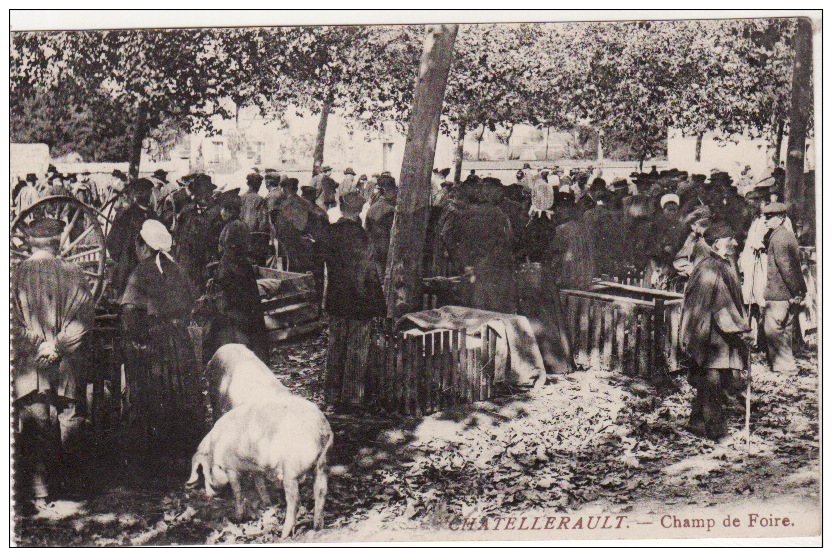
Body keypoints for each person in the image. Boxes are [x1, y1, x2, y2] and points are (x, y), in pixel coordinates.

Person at [12, 218, 94, 514]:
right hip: (66, 365)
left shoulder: (14, 275)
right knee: (70, 419)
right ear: (58, 243)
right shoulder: (73, 272)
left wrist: (36, 345)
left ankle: (40, 491)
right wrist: (56, 346)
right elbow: (84, 319)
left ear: (30, 243)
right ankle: (72, 490)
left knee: (36, 421)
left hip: (30, 368)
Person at [120, 220, 203, 457]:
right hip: (179, 340)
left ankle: (156, 457)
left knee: (154, 395)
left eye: (137, 246)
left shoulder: (140, 272)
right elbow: (189, 303)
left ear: (143, 246)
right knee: (182, 392)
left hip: (155, 344)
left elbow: (129, 314)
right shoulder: (176, 269)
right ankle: (184, 451)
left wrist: (137, 340)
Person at [680, 221, 750, 441]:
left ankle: (697, 422)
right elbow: (722, 307)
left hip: (712, 334)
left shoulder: (712, 264)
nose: (736, 244)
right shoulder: (713, 268)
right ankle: (717, 432)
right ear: (719, 243)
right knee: (713, 383)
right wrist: (742, 329)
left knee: (709, 382)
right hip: (712, 337)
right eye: (731, 240)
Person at [206, 194, 269, 362]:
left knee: (236, 316)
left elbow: (229, 256)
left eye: (222, 209)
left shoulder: (232, 228)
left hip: (234, 277)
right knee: (249, 314)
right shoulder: (240, 225)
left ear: (228, 210)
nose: (221, 213)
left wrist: (218, 276)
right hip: (242, 274)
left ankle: (240, 353)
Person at [450, 178, 517, 314]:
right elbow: (507, 245)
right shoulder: (500, 216)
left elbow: (459, 244)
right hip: (494, 275)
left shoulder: (466, 214)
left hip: (472, 273)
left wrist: (465, 266)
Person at [761, 202, 806, 373]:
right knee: (785, 330)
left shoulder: (778, 238)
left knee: (773, 329)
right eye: (765, 216)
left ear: (780, 218)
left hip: (779, 294)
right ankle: (788, 365)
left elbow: (786, 267)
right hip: (788, 294)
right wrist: (800, 291)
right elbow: (796, 266)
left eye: (769, 217)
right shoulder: (787, 235)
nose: (766, 220)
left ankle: (784, 366)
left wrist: (795, 290)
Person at [106, 178, 158, 298]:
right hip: (129, 268)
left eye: (148, 192)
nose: (148, 195)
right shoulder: (126, 215)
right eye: (144, 192)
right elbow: (112, 240)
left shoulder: (153, 215)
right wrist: (123, 258)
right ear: (137, 194)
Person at [174, 174, 218, 293]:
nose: (202, 196)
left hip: (206, 261)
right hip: (187, 259)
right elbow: (178, 233)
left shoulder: (216, 212)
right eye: (199, 193)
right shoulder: (187, 210)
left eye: (206, 193)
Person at [365, 174, 398, 280]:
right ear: (385, 191)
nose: (396, 193)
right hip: (388, 252)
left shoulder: (371, 209)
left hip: (374, 251)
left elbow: (367, 231)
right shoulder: (392, 210)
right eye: (393, 191)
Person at [240, 172, 269, 266]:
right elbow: (263, 222)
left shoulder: (240, 198)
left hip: (241, 237)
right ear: (258, 184)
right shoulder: (260, 200)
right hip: (255, 238)